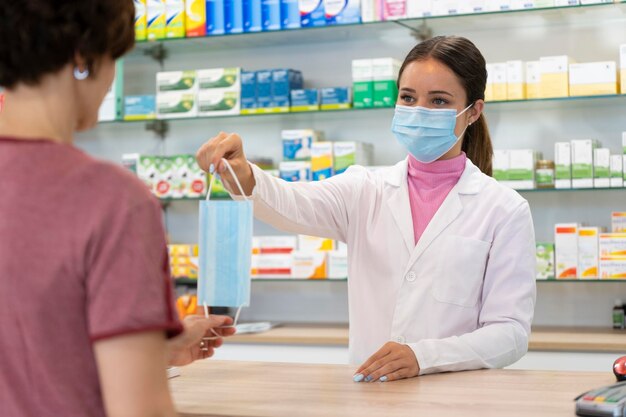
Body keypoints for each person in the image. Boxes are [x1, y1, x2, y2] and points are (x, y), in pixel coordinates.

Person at [196, 36, 537, 382]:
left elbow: (509, 333)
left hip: (454, 397)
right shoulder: (365, 189)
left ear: (474, 111)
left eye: (438, 101)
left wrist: (424, 357)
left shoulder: (504, 209)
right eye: (408, 98)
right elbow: (291, 203)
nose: (419, 111)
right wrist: (243, 173)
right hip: (370, 392)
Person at [0, 2, 234, 417]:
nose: (110, 82)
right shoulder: (110, 199)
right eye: (115, 59)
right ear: (83, 58)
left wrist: (153, 350)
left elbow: (31, 347)